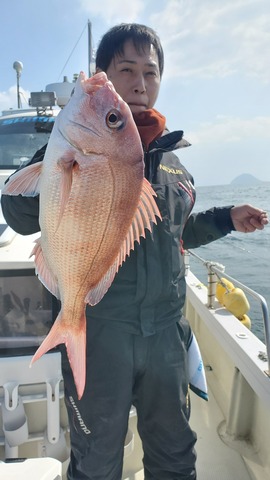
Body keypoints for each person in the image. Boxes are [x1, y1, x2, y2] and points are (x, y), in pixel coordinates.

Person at [1, 23, 268, 480]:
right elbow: (20, 213)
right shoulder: (70, 146)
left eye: (150, 71)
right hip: (102, 332)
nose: (140, 83)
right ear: (103, 73)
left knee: (176, 457)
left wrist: (226, 218)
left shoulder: (173, 162)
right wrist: (62, 151)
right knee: (96, 461)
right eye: (125, 69)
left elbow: (177, 233)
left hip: (166, 334)